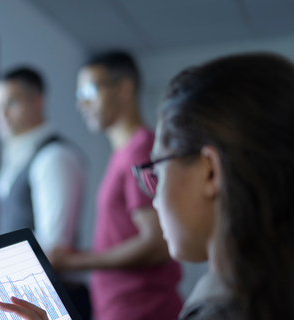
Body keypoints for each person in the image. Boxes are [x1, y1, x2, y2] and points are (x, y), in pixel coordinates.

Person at [0, 52, 294, 320]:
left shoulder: (223, 308)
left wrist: (75, 259)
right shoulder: (247, 294)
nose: (155, 196)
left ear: (210, 172)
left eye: (156, 172)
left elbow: (153, 242)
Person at [51, 51, 182, 320]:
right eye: (79, 96)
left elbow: (156, 243)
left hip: (142, 310)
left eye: (89, 91)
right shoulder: (124, 152)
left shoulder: (140, 150)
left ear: (123, 89)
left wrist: (71, 261)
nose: (82, 104)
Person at [0, 67, 89, 318]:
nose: (0, 114)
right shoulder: (19, 157)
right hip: (25, 302)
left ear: (37, 101)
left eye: (10, 103)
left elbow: (54, 248)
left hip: (48, 305)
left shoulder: (54, 157)